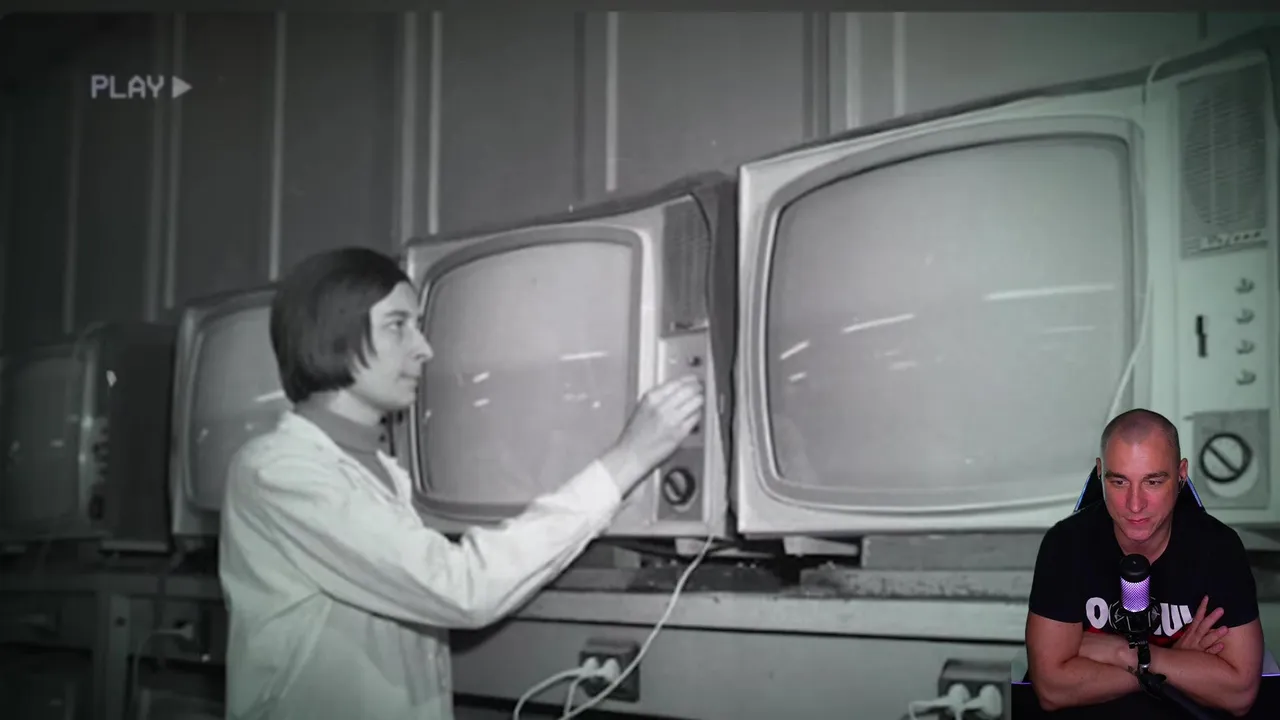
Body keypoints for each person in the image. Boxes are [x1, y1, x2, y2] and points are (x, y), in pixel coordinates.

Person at [218, 247, 705, 720]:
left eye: (418, 326)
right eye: (398, 325)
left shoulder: (378, 469)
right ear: (333, 334)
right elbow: (461, 588)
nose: (424, 348)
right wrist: (628, 458)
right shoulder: (277, 471)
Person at [1025, 408, 1265, 716]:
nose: (1135, 504)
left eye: (1153, 482)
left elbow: (1239, 694)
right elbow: (1052, 689)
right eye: (1119, 482)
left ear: (1181, 474)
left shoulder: (1219, 549)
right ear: (1100, 472)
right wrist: (1174, 665)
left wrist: (1128, 655)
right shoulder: (1065, 545)